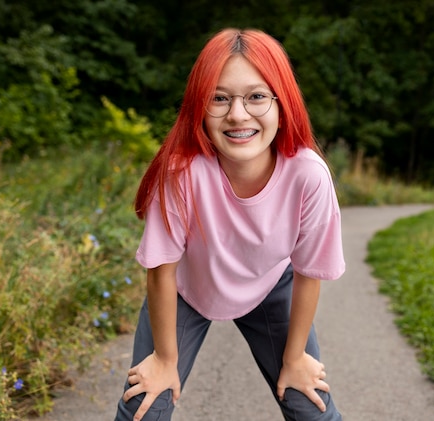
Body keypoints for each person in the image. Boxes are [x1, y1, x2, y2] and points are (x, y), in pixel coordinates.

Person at [115, 28, 346, 421]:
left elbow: (309, 272)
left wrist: (294, 359)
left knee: (309, 404)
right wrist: (165, 359)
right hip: (187, 288)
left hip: (271, 285)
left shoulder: (308, 175)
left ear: (282, 102)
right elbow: (161, 270)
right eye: (219, 98)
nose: (238, 114)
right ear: (199, 108)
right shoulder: (182, 174)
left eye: (256, 96)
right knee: (144, 407)